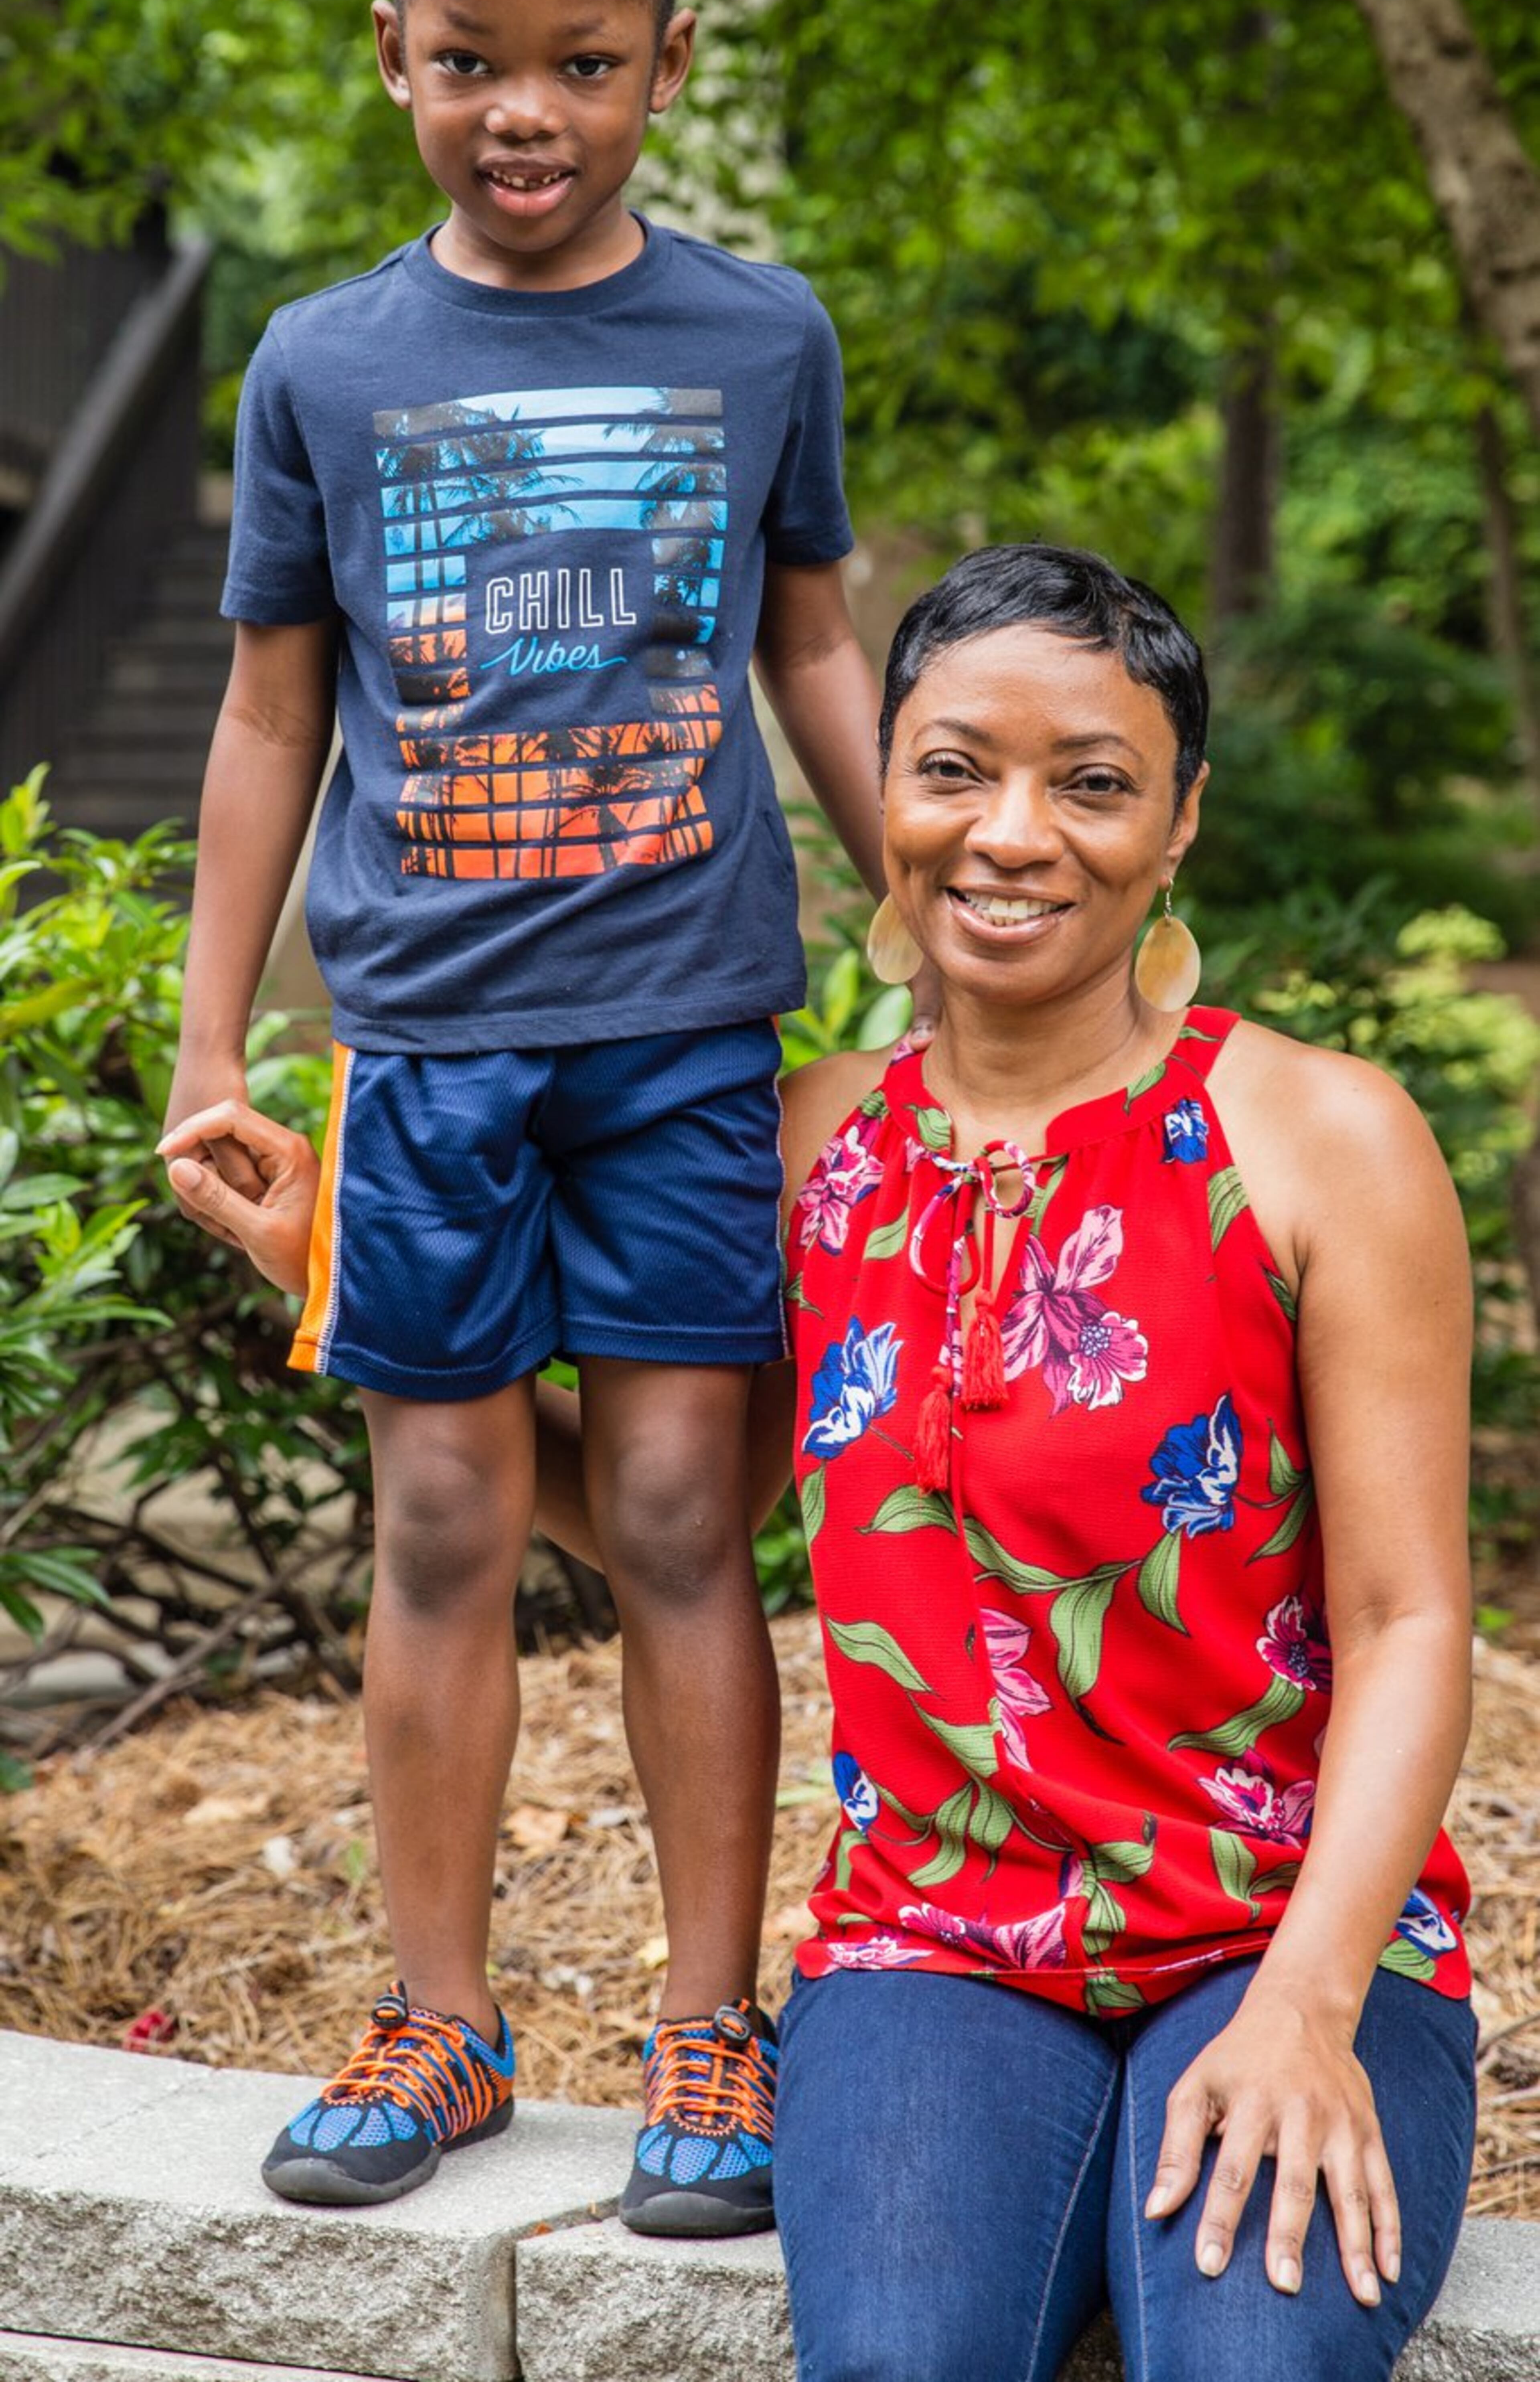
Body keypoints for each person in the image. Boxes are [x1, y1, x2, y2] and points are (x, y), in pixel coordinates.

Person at [166, 542, 1477, 2381]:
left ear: (1180, 823)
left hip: (1289, 1928)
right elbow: (669, 1523)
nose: (1013, 832)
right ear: (886, 790)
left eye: (1092, 782)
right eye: (953, 770)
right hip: (931, 1951)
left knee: (1250, 2358)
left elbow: (1414, 1617)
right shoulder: (806, 1146)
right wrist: (332, 1263)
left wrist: (1314, 2003)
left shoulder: (1325, 1138)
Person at [162, 0, 910, 2237]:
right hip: (429, 1052)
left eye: (581, 62)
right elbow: (275, 713)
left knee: (691, 1516)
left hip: (689, 1029)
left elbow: (808, 634)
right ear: (391, 56)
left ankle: (717, 2033)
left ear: (666, 63)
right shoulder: (325, 363)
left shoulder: (756, 333)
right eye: (472, 59)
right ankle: (439, 2019)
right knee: (452, 1514)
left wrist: (928, 895)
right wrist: (214, 1046)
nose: (525, 109)